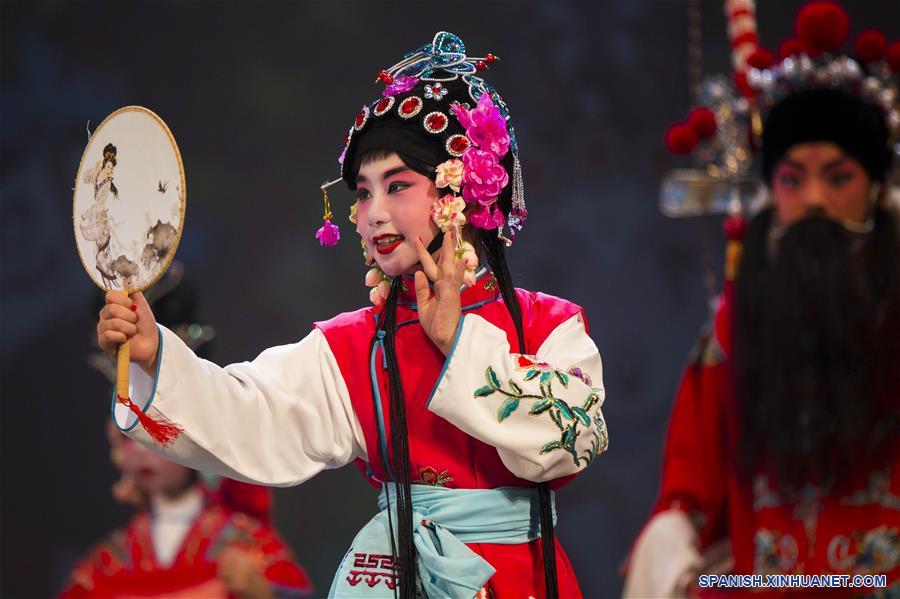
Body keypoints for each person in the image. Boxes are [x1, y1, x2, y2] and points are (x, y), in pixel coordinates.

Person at [96, 32, 608, 598]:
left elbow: (574, 439)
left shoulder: (548, 324)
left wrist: (458, 340)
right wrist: (155, 355)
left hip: (521, 581)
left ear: (457, 189)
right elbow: (253, 413)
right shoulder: (358, 344)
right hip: (397, 577)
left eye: (397, 187)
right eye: (363, 193)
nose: (375, 214)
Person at [624, 3, 900, 597]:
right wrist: (685, 575)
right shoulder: (734, 331)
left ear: (876, 187)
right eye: (793, 179)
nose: (817, 199)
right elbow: (689, 499)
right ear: (771, 190)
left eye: (839, 175)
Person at [67, 266, 313, 598]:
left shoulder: (250, 554)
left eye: (155, 432)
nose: (141, 450)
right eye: (128, 438)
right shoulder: (104, 567)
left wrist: (261, 593)